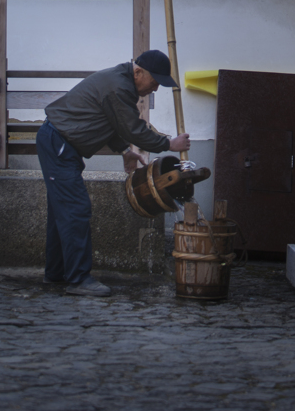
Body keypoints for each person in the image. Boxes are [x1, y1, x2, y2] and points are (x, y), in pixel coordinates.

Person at [36, 49, 190, 296]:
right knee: (75, 209)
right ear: (138, 72)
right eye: (154, 82)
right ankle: (78, 279)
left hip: (59, 143)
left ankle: (56, 274)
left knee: (62, 212)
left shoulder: (121, 82)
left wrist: (124, 151)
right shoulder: (119, 87)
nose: (155, 89)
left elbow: (109, 121)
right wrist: (169, 144)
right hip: (59, 144)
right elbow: (133, 129)